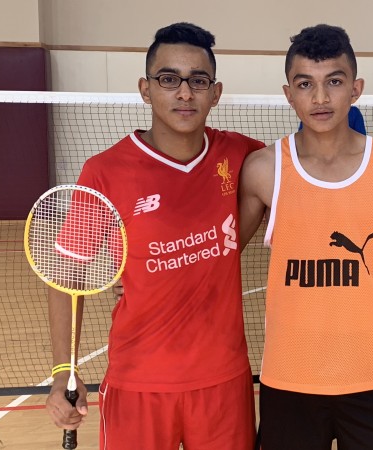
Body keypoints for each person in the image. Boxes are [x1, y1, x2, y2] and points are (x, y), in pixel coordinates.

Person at [45, 22, 265, 450]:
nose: (184, 93)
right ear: (145, 89)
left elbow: (296, 174)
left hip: (223, 382)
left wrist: (229, 244)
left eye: (198, 80)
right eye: (169, 79)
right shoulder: (104, 172)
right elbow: (66, 276)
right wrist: (62, 372)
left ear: (215, 93)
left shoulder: (242, 154)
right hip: (138, 383)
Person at [238, 24, 373, 450]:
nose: (320, 98)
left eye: (334, 82)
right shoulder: (264, 169)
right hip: (290, 379)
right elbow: (220, 256)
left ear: (356, 89)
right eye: (306, 84)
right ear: (288, 94)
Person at [300, 104, 366, 134]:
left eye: (334, 82)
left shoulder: (354, 112)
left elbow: (361, 135)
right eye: (305, 84)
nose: (320, 100)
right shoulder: (309, 115)